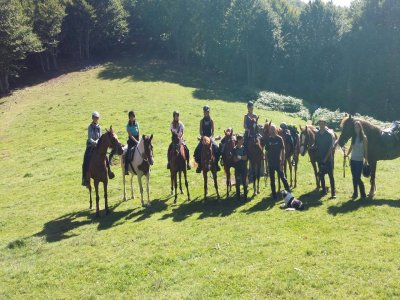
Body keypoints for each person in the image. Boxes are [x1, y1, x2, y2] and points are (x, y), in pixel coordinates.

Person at [82, 111, 114, 185]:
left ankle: (109, 171)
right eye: (95, 117)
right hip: (90, 146)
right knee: (85, 160)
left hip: (98, 146)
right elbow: (90, 138)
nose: (96, 119)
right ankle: (84, 178)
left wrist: (98, 142)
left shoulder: (99, 127)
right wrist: (95, 142)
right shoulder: (90, 127)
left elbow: (100, 137)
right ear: (92, 118)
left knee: (105, 156)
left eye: (97, 118)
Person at [264, 124, 291, 200]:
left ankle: (288, 192)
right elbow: (266, 152)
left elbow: (283, 151)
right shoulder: (268, 140)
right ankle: (274, 195)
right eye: (270, 129)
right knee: (272, 180)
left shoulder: (279, 139)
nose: (271, 131)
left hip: (278, 163)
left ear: (275, 130)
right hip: (271, 163)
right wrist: (266, 165)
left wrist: (282, 163)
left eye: (272, 129)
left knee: (283, 178)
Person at [345, 121, 368, 199]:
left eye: (357, 127)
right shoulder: (353, 137)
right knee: (354, 177)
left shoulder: (364, 138)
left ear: (360, 128)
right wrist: (347, 154)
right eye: (355, 127)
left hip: (359, 160)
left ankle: (363, 194)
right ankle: (355, 194)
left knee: (357, 177)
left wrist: (366, 161)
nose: (356, 129)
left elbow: (365, 150)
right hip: (353, 160)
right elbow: (351, 147)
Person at [194, 105, 220, 173]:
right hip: (203, 138)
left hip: (210, 138)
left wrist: (211, 137)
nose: (206, 113)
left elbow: (213, 131)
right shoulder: (201, 121)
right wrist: (203, 137)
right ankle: (199, 165)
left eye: (207, 112)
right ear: (203, 112)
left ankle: (216, 164)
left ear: (209, 112)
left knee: (217, 148)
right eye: (205, 112)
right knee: (197, 150)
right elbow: (200, 131)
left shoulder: (211, 121)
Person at [315, 118, 336, 198]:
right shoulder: (317, 134)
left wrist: (326, 158)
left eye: (323, 123)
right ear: (319, 124)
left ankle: (333, 193)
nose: (321, 125)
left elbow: (330, 147)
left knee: (331, 175)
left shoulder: (328, 135)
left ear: (325, 124)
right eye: (320, 123)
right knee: (321, 175)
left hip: (328, 159)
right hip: (320, 158)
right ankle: (323, 191)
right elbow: (316, 145)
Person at [232, 134, 248, 200]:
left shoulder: (244, 148)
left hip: (244, 168)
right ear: (238, 141)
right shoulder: (234, 149)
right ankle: (238, 196)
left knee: (244, 182)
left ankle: (245, 196)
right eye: (242, 140)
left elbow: (245, 158)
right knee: (238, 183)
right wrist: (241, 157)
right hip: (237, 169)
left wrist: (239, 157)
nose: (243, 141)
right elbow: (234, 160)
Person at [125, 111, 140, 175]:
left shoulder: (137, 124)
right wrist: (136, 141)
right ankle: (126, 169)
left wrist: (139, 140)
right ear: (129, 117)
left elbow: (139, 132)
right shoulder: (128, 126)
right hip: (131, 141)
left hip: (137, 139)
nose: (132, 118)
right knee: (128, 153)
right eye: (131, 116)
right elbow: (130, 136)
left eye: (133, 116)